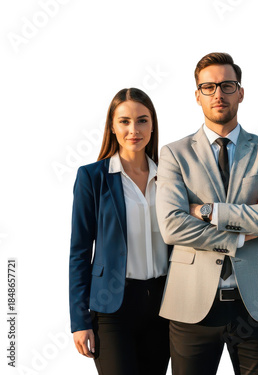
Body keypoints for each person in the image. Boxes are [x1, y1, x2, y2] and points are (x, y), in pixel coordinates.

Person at [155, 52, 258, 375]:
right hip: (191, 303)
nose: (218, 94)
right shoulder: (174, 154)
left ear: (240, 93)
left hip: (257, 303)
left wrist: (208, 211)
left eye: (227, 85)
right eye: (209, 87)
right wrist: (243, 233)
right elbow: (173, 227)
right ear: (197, 95)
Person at [69, 88, 170, 375]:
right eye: (124, 121)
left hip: (163, 305)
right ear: (112, 127)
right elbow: (79, 251)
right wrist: (80, 321)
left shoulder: (169, 176)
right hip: (113, 306)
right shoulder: (93, 177)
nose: (133, 130)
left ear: (152, 125)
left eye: (142, 120)